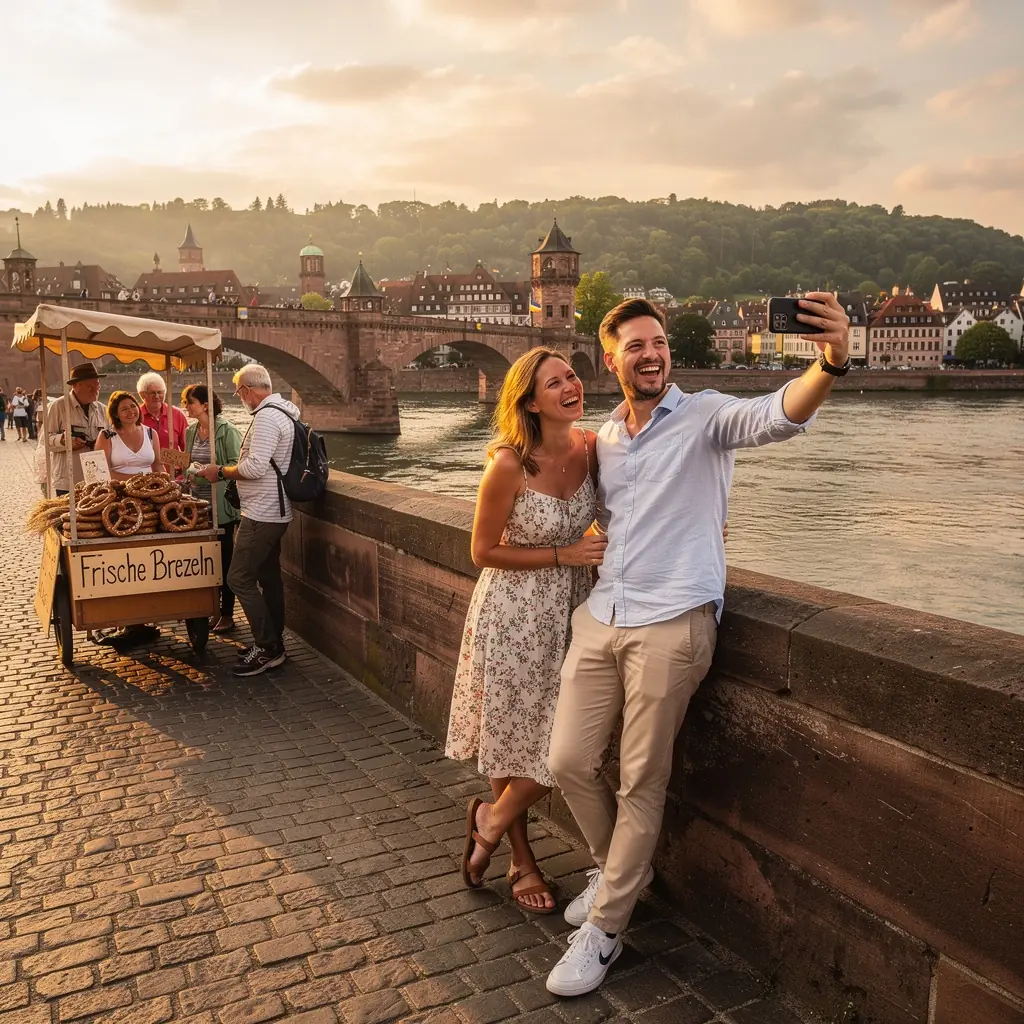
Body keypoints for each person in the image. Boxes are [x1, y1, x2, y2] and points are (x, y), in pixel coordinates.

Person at [544, 295, 851, 998]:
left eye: (658, 343)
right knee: (567, 758)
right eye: (636, 346)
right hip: (603, 614)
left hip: (673, 622)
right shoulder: (606, 439)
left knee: (641, 780)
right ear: (612, 357)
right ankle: (619, 869)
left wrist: (832, 360)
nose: (650, 354)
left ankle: (607, 929)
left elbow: (780, 413)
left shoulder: (708, 415)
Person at [447, 347, 605, 914]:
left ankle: (489, 819)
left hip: (575, 611)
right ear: (530, 402)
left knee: (573, 741)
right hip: (513, 613)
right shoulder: (510, 464)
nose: (570, 386)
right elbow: (482, 550)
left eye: (572, 376)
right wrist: (564, 553)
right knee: (511, 737)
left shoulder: (593, 448)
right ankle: (521, 860)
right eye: (554, 382)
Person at [195, 363, 296, 677]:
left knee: (238, 578)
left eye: (239, 392)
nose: (240, 398)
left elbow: (254, 467)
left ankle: (268, 647)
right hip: (273, 510)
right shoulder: (286, 412)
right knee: (268, 578)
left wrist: (220, 472)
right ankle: (273, 641)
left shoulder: (267, 416)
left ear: (248, 390)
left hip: (263, 513)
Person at [182, 383, 242, 633]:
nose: (186, 406)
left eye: (190, 402)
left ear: (205, 405)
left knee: (225, 561)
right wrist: (191, 474)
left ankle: (227, 614)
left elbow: (236, 466)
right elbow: (187, 463)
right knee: (205, 562)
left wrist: (205, 475)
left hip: (222, 506)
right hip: (198, 507)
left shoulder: (227, 431)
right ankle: (211, 609)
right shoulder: (191, 431)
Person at [44, 363, 107, 495]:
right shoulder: (58, 406)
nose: (95, 390)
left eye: (98, 386)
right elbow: (45, 441)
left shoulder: (102, 409)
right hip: (68, 479)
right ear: (76, 385)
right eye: (90, 387)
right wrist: (64, 440)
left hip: (96, 479)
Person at [94, 391, 164, 481]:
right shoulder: (106, 436)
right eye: (124, 409)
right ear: (116, 414)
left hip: (150, 489)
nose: (131, 412)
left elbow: (157, 466)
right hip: (118, 490)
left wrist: (169, 480)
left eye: (133, 406)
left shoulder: (151, 433)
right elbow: (100, 472)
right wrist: (139, 479)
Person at [137, 371, 188, 456]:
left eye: (160, 392)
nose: (156, 396)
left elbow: (187, 449)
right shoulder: (135, 416)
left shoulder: (177, 415)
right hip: (145, 469)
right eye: (152, 393)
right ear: (142, 395)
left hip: (172, 468)